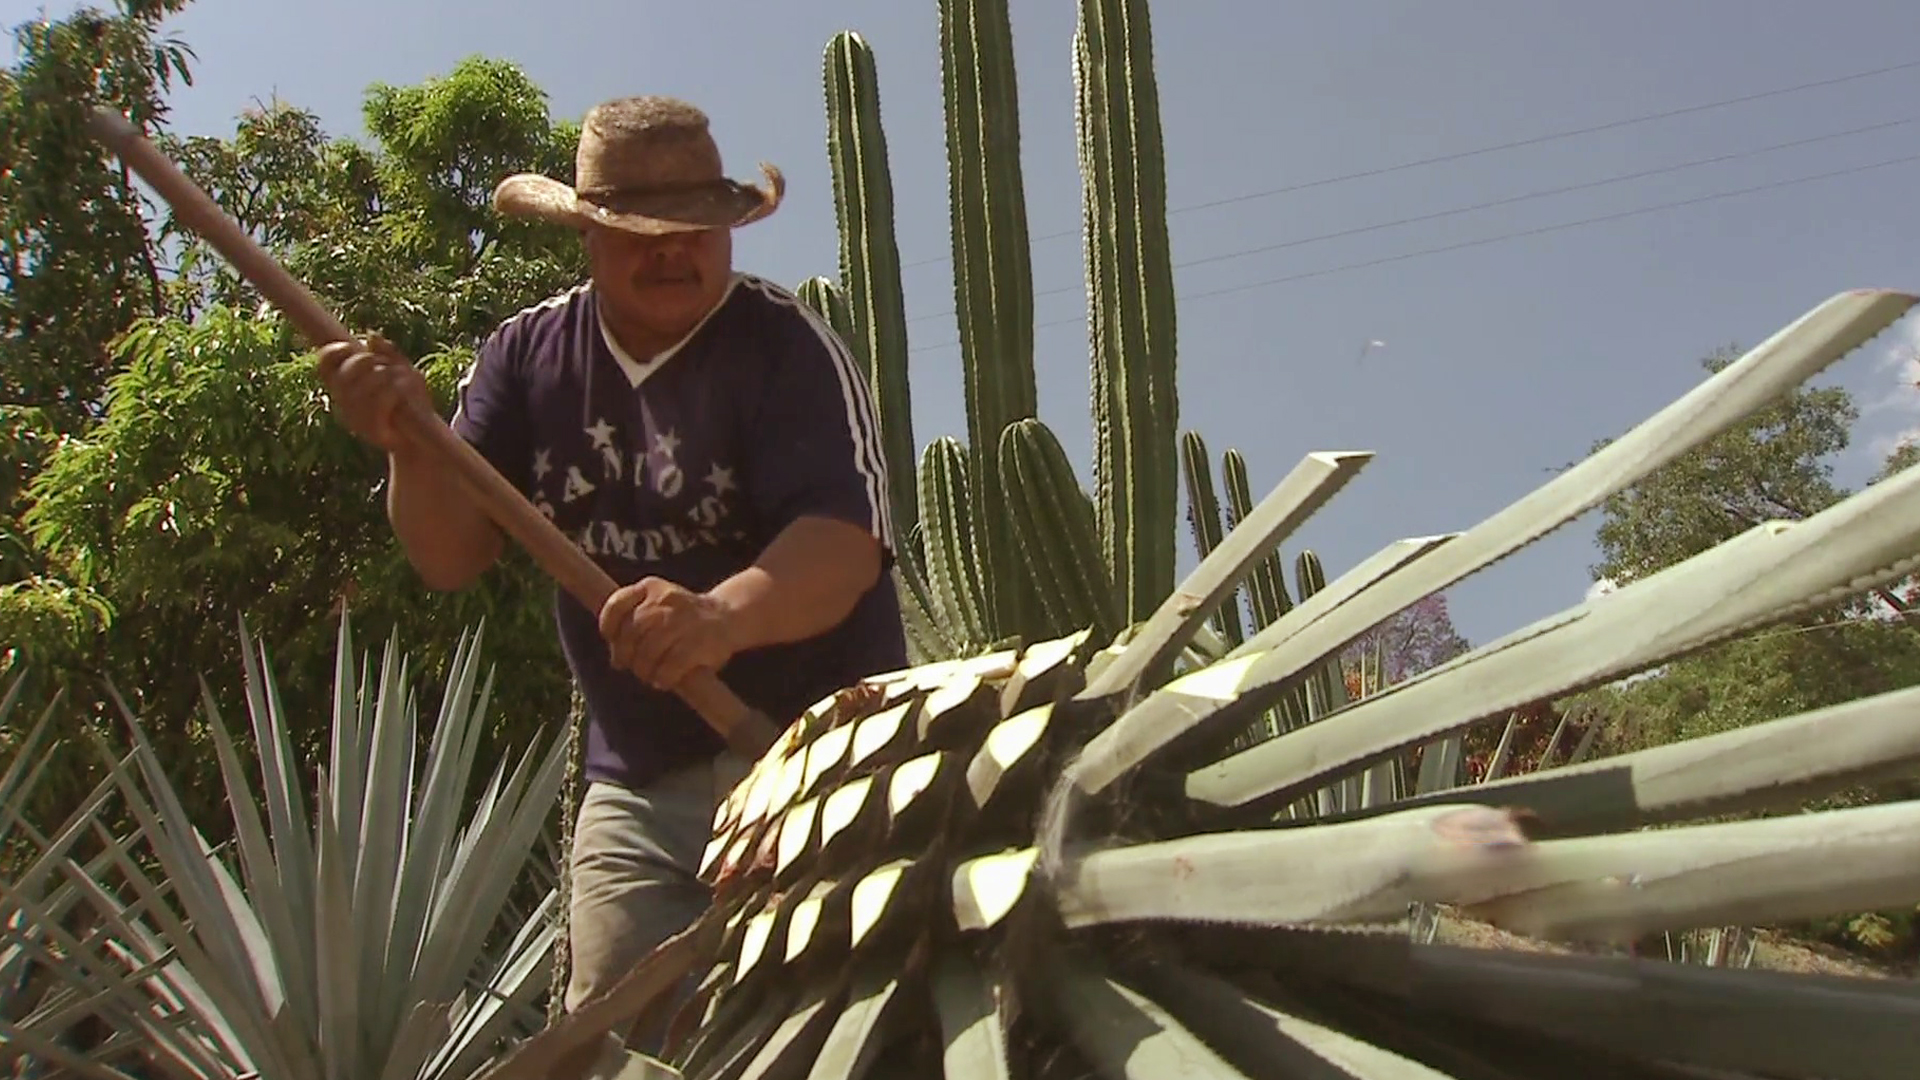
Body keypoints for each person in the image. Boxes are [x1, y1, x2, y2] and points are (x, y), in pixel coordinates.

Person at [315, 95, 908, 1051]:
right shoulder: (525, 359)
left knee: (839, 1040)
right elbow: (450, 557)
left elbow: (841, 548)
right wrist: (409, 451)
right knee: (615, 1045)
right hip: (636, 783)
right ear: (588, 233)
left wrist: (717, 618)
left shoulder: (787, 346)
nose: (675, 251)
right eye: (642, 233)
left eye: (697, 230)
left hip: (817, 758)